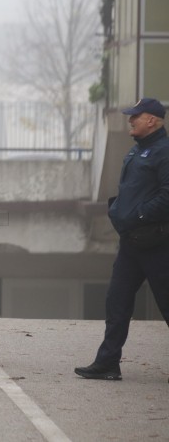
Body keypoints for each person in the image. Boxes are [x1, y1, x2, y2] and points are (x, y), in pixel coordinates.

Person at [75, 98, 169, 381]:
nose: (130, 120)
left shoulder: (163, 152)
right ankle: (107, 363)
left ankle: (107, 362)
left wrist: (138, 216)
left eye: (135, 117)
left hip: (157, 244)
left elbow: (167, 197)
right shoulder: (136, 151)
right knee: (116, 302)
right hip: (130, 244)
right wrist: (117, 211)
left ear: (152, 120)